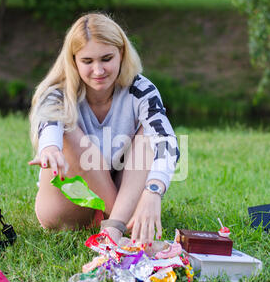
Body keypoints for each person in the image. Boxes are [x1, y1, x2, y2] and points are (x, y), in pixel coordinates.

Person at [29, 12, 180, 245]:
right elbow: (49, 122)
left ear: (121, 54)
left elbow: (166, 140)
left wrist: (153, 190)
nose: (98, 71)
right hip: (71, 205)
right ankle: (121, 219)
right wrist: (50, 148)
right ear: (74, 61)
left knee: (148, 135)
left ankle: (114, 226)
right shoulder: (59, 91)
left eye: (106, 58)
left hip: (121, 193)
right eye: (87, 61)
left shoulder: (141, 89)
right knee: (68, 130)